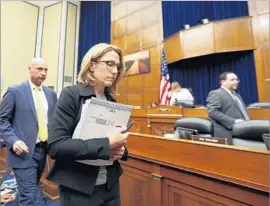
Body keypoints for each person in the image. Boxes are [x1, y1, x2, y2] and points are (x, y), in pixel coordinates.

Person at [46, 43, 128, 206]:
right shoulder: (71, 95)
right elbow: (56, 146)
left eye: (117, 66)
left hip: (110, 185)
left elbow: (113, 141)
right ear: (92, 65)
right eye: (109, 64)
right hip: (79, 187)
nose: (114, 71)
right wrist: (106, 145)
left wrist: (122, 151)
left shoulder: (111, 100)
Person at [0, 57, 57, 206]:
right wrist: (13, 141)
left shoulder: (51, 94)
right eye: (39, 69)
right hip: (23, 152)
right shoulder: (15, 91)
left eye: (46, 69)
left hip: (42, 151)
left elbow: (53, 121)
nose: (43, 73)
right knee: (29, 196)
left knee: (27, 191)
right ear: (29, 69)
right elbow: (2, 120)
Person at [206, 72, 250, 144]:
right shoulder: (216, 93)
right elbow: (212, 112)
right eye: (232, 80)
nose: (236, 82)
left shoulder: (238, 95)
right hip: (227, 133)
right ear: (223, 82)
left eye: (237, 79)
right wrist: (234, 121)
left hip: (243, 131)